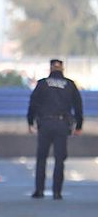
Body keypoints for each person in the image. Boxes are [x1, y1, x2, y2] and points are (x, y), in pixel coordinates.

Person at [28, 57, 83, 199]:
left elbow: (33, 104)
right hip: (62, 124)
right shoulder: (70, 85)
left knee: (41, 158)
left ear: (50, 68)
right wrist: (79, 125)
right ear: (62, 69)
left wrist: (30, 122)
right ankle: (57, 192)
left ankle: (39, 191)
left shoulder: (42, 84)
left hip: (45, 124)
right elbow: (78, 106)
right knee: (60, 159)